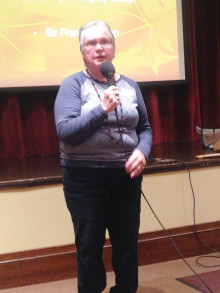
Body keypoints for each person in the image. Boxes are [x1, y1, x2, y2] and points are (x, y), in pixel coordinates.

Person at [54, 20, 152, 293]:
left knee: (127, 243)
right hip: (85, 180)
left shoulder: (131, 86)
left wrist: (142, 152)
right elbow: (66, 131)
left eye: (105, 42)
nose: (99, 48)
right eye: (91, 43)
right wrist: (102, 108)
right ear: (83, 52)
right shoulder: (72, 85)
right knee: (89, 244)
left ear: (114, 48)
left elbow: (144, 128)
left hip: (125, 178)